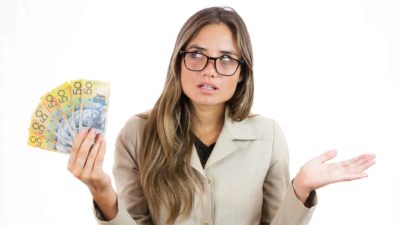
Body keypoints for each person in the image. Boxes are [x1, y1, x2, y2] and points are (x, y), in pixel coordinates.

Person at [67, 6, 376, 225]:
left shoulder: (268, 135)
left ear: (242, 73)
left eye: (226, 59)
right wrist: (102, 191)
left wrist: (301, 190)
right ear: (178, 62)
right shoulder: (137, 133)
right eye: (197, 55)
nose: (210, 71)